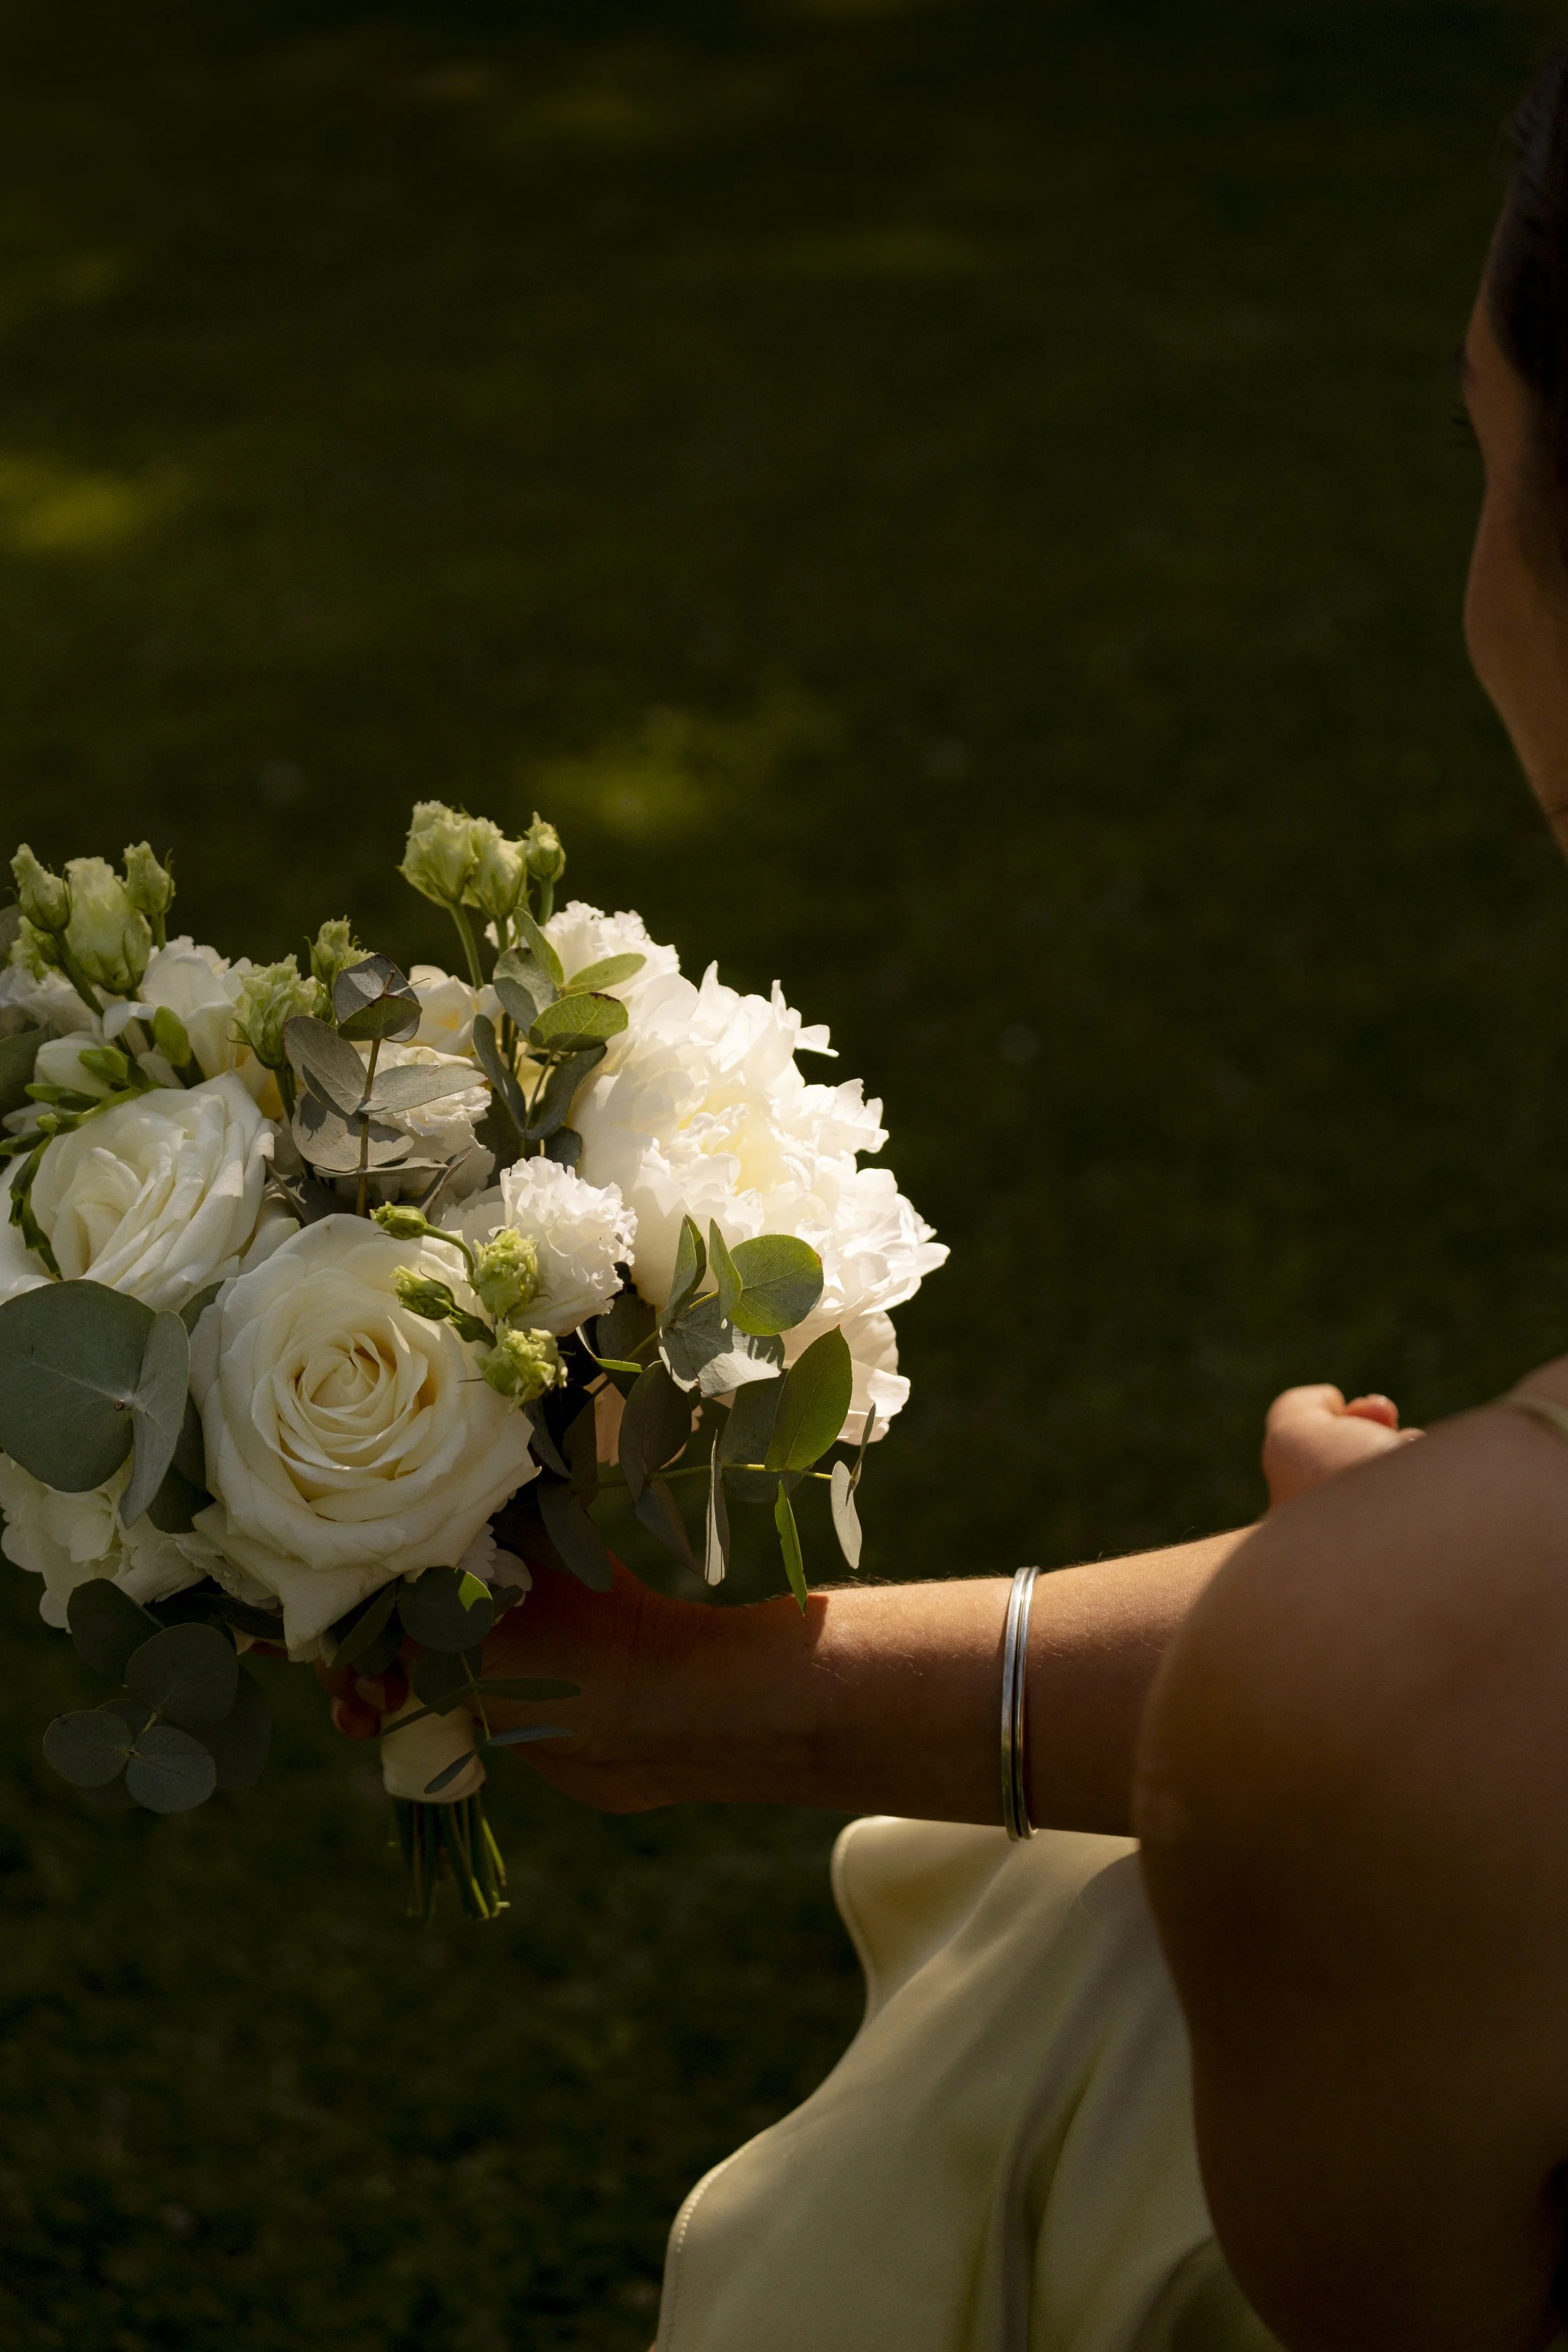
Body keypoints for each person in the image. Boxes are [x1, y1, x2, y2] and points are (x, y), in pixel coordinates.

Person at [336, 45, 1568, 2352]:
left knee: (1060, 2020)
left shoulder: (1412, 1677)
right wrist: (724, 1701)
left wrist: (1413, 1607)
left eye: (1478, 441)